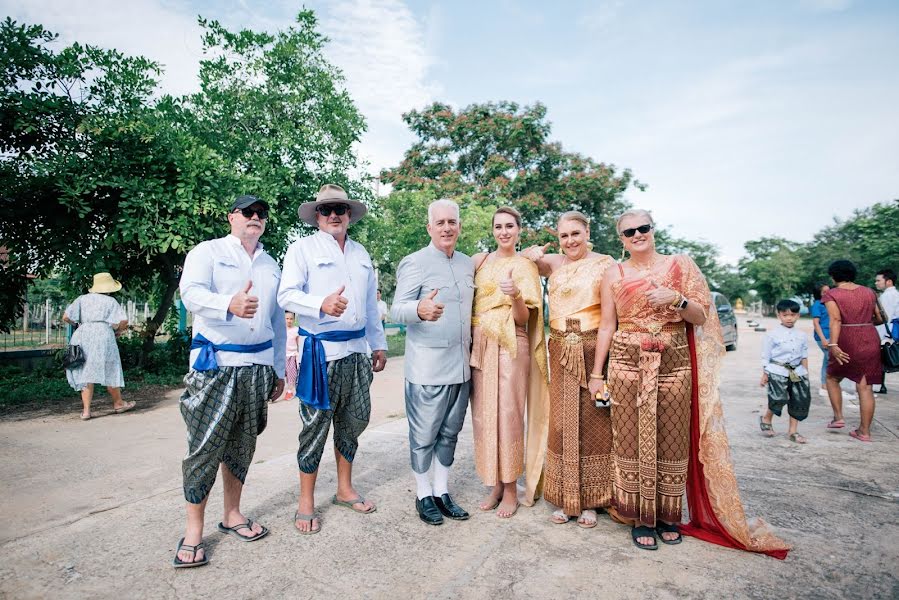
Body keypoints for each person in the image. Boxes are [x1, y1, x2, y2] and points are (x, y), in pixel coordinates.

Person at [590, 209, 789, 557]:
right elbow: (607, 324)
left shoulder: (680, 265)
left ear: (653, 229)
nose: (637, 235)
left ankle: (667, 517)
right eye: (628, 232)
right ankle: (639, 516)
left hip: (674, 360)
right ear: (620, 239)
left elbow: (702, 317)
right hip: (625, 361)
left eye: (643, 228)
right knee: (629, 438)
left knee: (672, 437)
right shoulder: (612, 273)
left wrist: (677, 300)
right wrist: (596, 374)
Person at [174, 194, 286, 568]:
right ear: (232, 217)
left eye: (261, 214)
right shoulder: (207, 252)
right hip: (216, 364)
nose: (256, 218)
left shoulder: (271, 264)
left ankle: (233, 514)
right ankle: (193, 530)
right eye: (248, 212)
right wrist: (228, 304)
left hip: (257, 366)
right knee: (205, 447)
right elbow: (189, 294)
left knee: (242, 444)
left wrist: (279, 369)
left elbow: (275, 321)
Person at [278, 184, 387, 534]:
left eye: (340, 208)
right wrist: (320, 303)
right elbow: (286, 295)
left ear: (349, 214)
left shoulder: (360, 252)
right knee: (314, 427)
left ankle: (344, 489)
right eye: (326, 210)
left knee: (353, 421)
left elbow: (369, 305)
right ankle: (306, 502)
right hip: (320, 353)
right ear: (317, 217)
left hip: (356, 352)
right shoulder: (302, 250)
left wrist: (378, 343)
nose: (334, 215)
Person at [522, 211, 615, 528]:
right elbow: (521, 259)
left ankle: (590, 501)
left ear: (588, 231)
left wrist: (598, 371)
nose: (570, 241)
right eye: (564, 236)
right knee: (561, 424)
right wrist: (532, 254)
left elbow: (608, 322)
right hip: (559, 347)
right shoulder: (553, 264)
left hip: (593, 349)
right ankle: (566, 497)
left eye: (576, 233)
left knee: (594, 421)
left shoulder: (605, 264)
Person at [390, 198, 474, 526]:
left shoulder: (468, 263)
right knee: (424, 436)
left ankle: (442, 492)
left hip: (461, 366)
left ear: (459, 226)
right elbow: (397, 308)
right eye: (440, 223)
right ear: (429, 227)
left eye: (452, 222)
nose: (447, 228)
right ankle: (423, 494)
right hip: (427, 369)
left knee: (450, 433)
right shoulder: (415, 262)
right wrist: (418, 310)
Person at [469, 207, 549, 519]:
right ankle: (495, 484)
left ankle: (512, 488)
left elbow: (524, 317)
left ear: (518, 230)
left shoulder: (525, 265)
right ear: (493, 230)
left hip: (511, 343)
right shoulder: (482, 261)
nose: (504, 232)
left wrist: (515, 295)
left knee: (509, 414)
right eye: (499, 226)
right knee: (484, 415)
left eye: (510, 227)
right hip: (482, 343)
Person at [822, 260, 886, 441]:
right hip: (870, 337)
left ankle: (838, 417)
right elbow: (880, 318)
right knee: (865, 386)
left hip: (846, 338)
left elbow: (835, 320)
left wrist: (833, 345)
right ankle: (864, 432)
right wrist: (863, 324)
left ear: (833, 276)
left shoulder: (831, 294)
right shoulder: (869, 292)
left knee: (832, 377)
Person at [62, 272, 135, 420]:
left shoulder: (82, 299)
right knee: (110, 366)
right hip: (104, 334)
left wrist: (79, 325)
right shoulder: (110, 301)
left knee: (85, 370)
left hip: (83, 333)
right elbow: (124, 321)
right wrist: (118, 331)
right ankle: (118, 403)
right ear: (108, 288)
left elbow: (66, 317)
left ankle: (86, 411)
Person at [759, 300, 810, 444]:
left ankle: (793, 431)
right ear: (778, 315)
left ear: (798, 315)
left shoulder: (801, 335)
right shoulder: (772, 335)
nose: (789, 318)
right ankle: (766, 418)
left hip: (797, 372)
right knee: (778, 398)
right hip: (777, 370)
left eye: (793, 315)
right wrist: (765, 374)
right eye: (785, 315)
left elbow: (804, 355)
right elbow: (766, 356)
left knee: (798, 400)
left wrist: (806, 374)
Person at [874, 268, 898, 394]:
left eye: (878, 280)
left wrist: (880, 337)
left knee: (883, 358)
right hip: (892, 332)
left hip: (887, 333)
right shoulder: (895, 294)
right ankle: (880, 385)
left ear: (888, 281)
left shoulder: (888, 296)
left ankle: (879, 385)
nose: (876, 283)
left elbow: (885, 319)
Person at [283, 311, 300, 401]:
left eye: (291, 319)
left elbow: (298, 345)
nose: (289, 321)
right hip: (283, 355)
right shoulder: (281, 329)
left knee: (291, 374)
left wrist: (299, 356)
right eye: (287, 318)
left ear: (294, 319)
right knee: (281, 375)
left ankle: (290, 391)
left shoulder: (296, 330)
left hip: (292, 355)